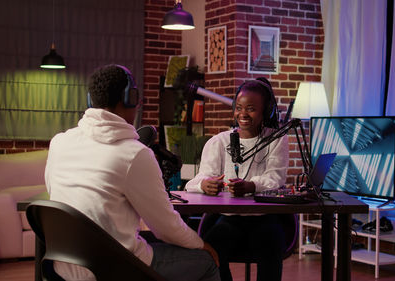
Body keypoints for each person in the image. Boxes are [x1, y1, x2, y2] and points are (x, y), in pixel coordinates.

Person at [45, 64, 219, 281]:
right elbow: (165, 228)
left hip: (65, 268)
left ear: (91, 100)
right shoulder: (134, 154)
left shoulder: (59, 142)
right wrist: (202, 244)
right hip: (115, 269)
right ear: (130, 97)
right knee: (207, 263)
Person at [185, 77, 289, 281]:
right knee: (209, 252)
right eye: (239, 108)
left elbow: (276, 177)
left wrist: (251, 185)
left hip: (264, 219)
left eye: (250, 108)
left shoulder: (276, 139)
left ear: (266, 111)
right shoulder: (219, 142)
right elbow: (196, 181)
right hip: (229, 219)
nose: (243, 114)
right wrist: (204, 185)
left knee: (272, 247)